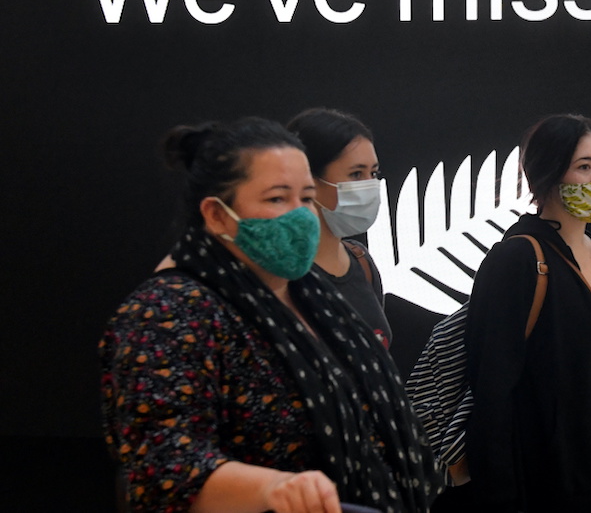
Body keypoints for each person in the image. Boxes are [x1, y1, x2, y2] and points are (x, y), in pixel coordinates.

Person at [99, 117, 443, 513]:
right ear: (217, 215)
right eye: (278, 198)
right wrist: (272, 488)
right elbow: (163, 468)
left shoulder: (313, 295)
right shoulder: (168, 313)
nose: (301, 215)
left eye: (306, 197)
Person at [464, 114, 591, 513]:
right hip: (541, 454)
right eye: (584, 166)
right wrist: (501, 492)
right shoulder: (519, 257)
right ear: (547, 172)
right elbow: (492, 387)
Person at [286, 108, 391, 349]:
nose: (370, 185)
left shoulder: (361, 261)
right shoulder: (281, 276)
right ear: (308, 179)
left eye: (373, 173)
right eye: (356, 174)